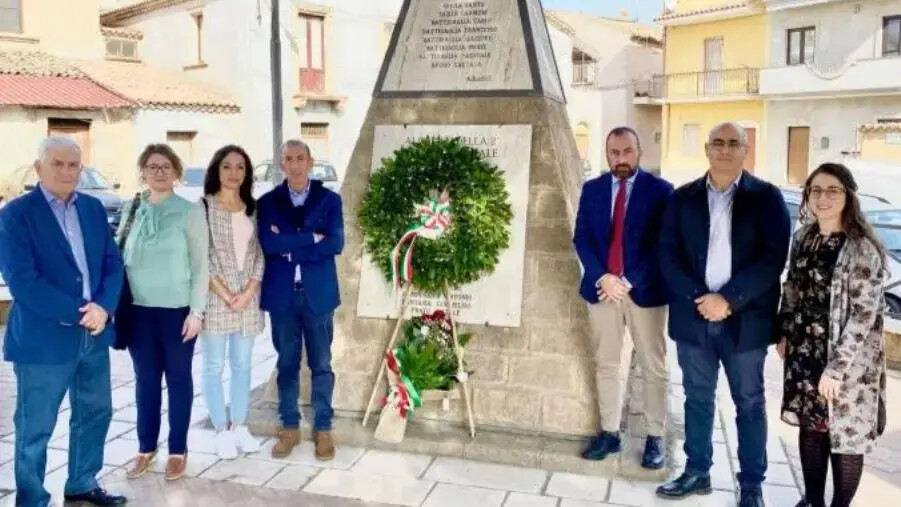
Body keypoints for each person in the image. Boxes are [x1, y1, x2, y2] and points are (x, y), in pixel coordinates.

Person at [657, 122, 791, 507]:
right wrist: (702, 298)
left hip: (746, 321)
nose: (726, 149)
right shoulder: (682, 198)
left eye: (734, 143)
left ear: (746, 150)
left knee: (749, 402)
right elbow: (667, 254)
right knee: (697, 398)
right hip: (694, 317)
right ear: (707, 149)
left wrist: (728, 300)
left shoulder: (766, 198)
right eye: (719, 142)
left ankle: (751, 484)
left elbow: (772, 259)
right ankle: (697, 471)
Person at [0, 137, 127, 506]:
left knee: (96, 412)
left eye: (74, 165)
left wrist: (103, 307)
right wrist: (81, 312)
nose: (67, 172)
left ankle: (82, 483)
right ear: (39, 168)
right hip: (44, 340)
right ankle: (32, 498)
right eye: (58, 164)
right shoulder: (15, 215)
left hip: (94, 334)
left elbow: (111, 263)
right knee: (35, 427)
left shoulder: (91, 208)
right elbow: (24, 282)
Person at [777, 163, 887, 507]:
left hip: (847, 364)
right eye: (815, 190)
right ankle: (812, 501)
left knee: (845, 438)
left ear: (848, 196)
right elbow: (792, 288)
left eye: (832, 190)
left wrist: (835, 370)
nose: (822, 198)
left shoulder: (861, 248)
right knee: (812, 429)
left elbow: (864, 315)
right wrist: (783, 331)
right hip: (805, 352)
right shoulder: (804, 238)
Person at [573, 127, 674, 469]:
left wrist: (627, 281)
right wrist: (603, 276)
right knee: (607, 363)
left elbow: (663, 245)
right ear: (606, 155)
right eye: (614, 153)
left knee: (653, 365)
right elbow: (582, 237)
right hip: (602, 290)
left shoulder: (661, 191)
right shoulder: (592, 190)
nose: (621, 159)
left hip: (644, 290)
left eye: (627, 151)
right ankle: (610, 432)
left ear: (639, 151)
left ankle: (655, 436)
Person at [119, 144, 209, 481]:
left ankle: (177, 449)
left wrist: (197, 312)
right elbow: (117, 256)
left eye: (166, 166)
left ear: (176, 172)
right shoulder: (132, 208)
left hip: (177, 311)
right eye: (152, 166)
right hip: (138, 311)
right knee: (145, 382)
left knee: (179, 380)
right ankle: (145, 447)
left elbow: (202, 266)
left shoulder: (190, 211)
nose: (159, 171)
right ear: (142, 171)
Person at [258, 139, 344, 461]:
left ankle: (323, 428)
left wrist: (288, 246)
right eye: (288, 159)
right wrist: (310, 237)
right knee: (287, 364)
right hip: (282, 296)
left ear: (310, 162)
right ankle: (289, 427)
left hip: (318, 295)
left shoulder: (329, 200)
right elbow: (268, 242)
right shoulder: (267, 202)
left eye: (300, 158)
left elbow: (336, 243)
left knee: (321, 364)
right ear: (282, 164)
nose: (294, 164)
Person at [199, 145, 265, 459]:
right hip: (216, 300)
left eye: (240, 167)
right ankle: (221, 431)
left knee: (242, 366)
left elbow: (259, 254)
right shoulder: (203, 207)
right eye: (228, 166)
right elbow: (200, 258)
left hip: (248, 301)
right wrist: (226, 294)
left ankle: (240, 426)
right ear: (217, 169)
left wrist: (250, 290)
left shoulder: (253, 208)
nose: (234, 172)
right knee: (213, 366)